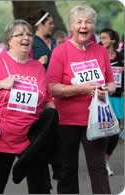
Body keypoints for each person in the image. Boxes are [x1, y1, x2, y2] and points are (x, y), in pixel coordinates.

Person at [0, 19, 55, 194]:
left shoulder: (38, 67)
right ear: (9, 40)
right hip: (1, 139)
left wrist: (53, 115)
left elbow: (47, 100)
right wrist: (0, 84)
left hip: (32, 139)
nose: (26, 37)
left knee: (41, 188)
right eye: (20, 34)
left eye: (29, 34)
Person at [46, 5, 116, 194]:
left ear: (94, 26)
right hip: (67, 120)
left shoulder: (101, 51)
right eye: (79, 22)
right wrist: (82, 89)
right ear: (71, 26)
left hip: (96, 119)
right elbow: (52, 87)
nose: (84, 26)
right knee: (67, 169)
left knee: (98, 167)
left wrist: (104, 90)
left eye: (88, 22)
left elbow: (111, 83)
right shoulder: (60, 51)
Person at [100, 28, 124, 176]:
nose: (101, 40)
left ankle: (105, 159)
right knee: (104, 131)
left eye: (104, 38)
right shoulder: (98, 56)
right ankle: (101, 163)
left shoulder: (120, 57)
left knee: (115, 133)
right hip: (103, 97)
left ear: (113, 40)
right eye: (101, 38)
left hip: (117, 98)